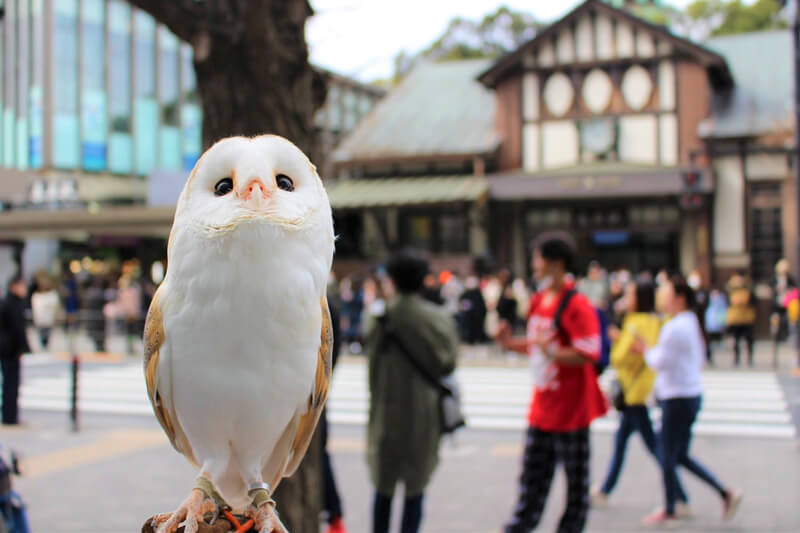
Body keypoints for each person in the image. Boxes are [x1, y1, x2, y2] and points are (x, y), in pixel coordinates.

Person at [496, 233, 607, 533]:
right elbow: (536, 344)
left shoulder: (577, 304)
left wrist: (553, 351)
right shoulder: (537, 300)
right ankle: (518, 527)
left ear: (556, 264)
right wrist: (510, 344)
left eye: (537, 258)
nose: (534, 265)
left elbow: (589, 352)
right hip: (543, 408)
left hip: (571, 411)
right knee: (532, 479)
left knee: (575, 485)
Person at [364, 250, 458, 533]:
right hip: (423, 416)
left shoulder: (378, 319)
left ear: (391, 280)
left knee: (384, 489)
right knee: (415, 489)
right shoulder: (439, 319)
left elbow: (371, 361)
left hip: (386, 415)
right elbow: (448, 364)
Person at [641, 276, 743, 526]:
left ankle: (670, 509)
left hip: (677, 397)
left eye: (666, 294)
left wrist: (644, 349)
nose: (662, 298)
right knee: (679, 455)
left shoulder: (675, 326)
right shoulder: (688, 322)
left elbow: (658, 361)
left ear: (679, 298)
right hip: (688, 394)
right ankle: (721, 493)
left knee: (667, 454)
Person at [591, 279, 689, 511]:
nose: (627, 298)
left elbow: (619, 358)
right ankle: (605, 489)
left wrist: (617, 341)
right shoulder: (656, 321)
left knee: (655, 448)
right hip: (641, 390)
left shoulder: (635, 323)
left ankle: (680, 498)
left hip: (633, 393)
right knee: (623, 441)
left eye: (631, 293)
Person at [321, 277, 347, 533]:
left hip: (311, 398)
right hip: (318, 396)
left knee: (318, 455)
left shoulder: (321, 304)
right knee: (321, 455)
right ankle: (335, 516)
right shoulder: (330, 303)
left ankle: (335, 515)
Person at [0, 277, 31, 425]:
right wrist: (23, 347)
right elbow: (17, 329)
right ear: (14, 286)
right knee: (11, 383)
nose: (24, 289)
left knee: (8, 382)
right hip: (11, 350)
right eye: (22, 286)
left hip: (6, 349)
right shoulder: (14, 304)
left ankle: (8, 416)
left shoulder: (7, 302)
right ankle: (10, 417)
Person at [725, 271, 756, 367]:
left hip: (746, 318)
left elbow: (753, 301)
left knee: (749, 339)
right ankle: (736, 358)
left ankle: (750, 358)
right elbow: (727, 301)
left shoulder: (748, 288)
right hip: (735, 318)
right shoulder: (730, 289)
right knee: (735, 339)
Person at [30, 280, 60, 350]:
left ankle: (45, 346)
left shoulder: (51, 296)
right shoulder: (37, 296)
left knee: (47, 335)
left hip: (48, 320)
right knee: (42, 335)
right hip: (40, 320)